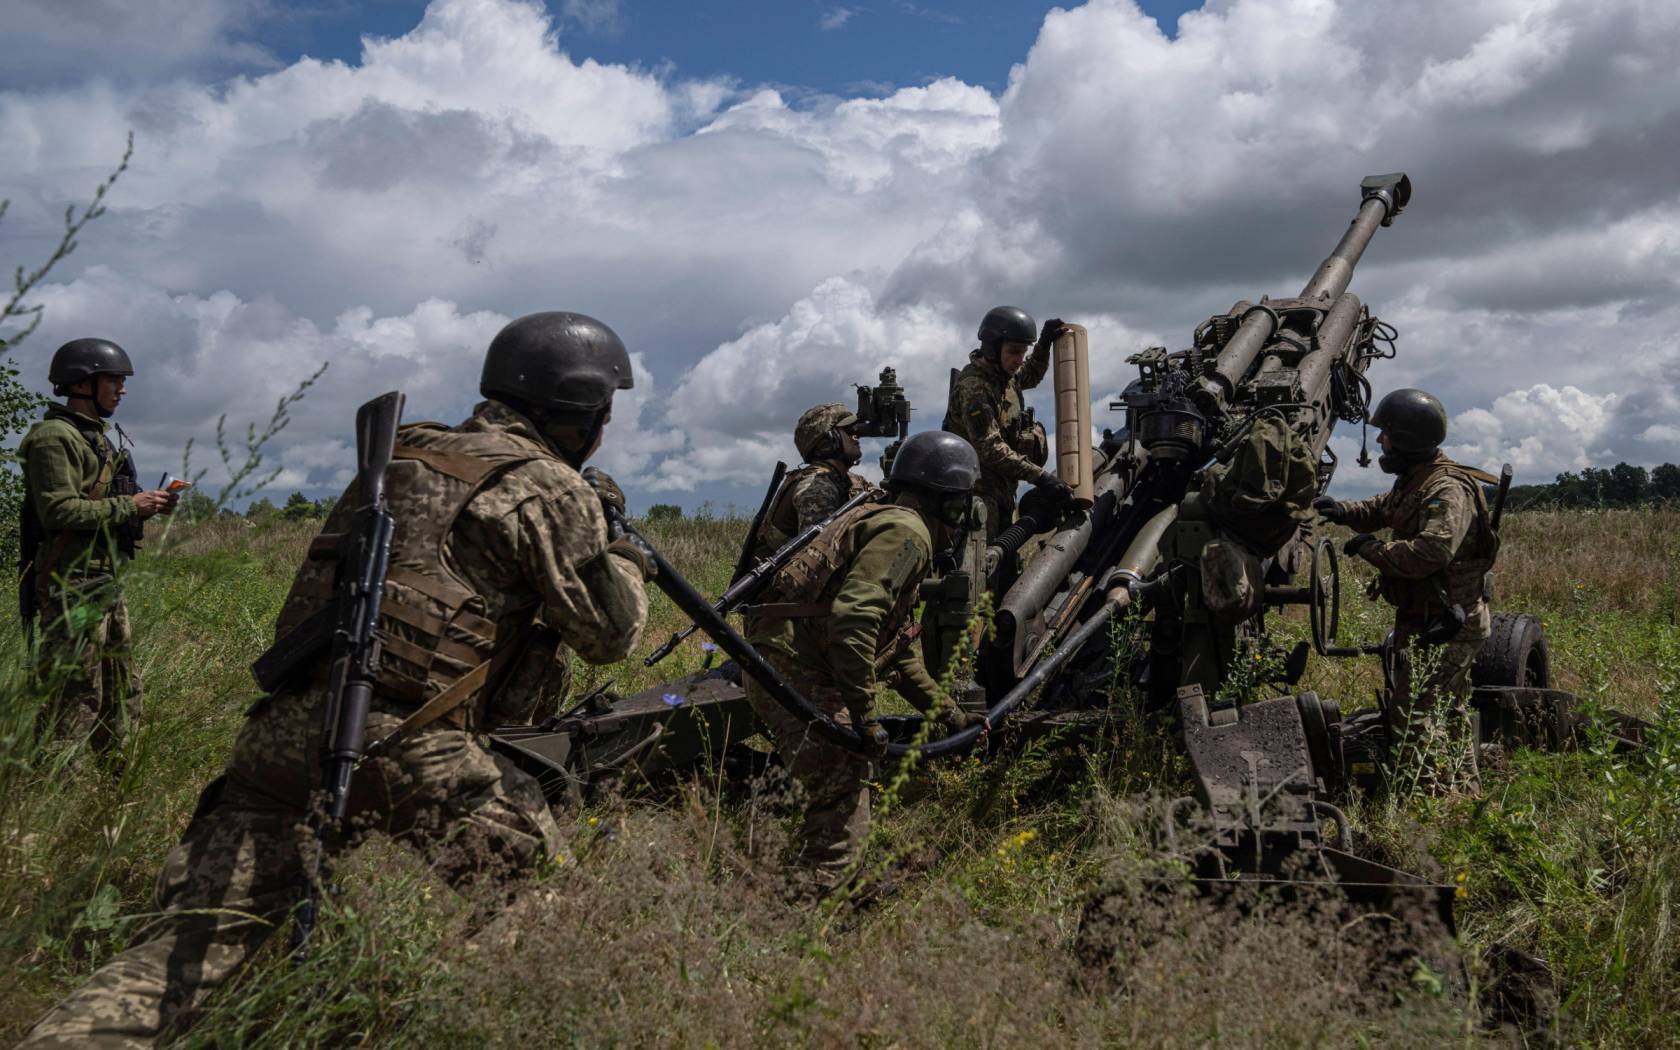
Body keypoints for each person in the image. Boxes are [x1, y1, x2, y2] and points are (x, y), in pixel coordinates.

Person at [21, 312, 654, 1048]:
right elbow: (611, 636)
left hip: (280, 735)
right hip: (410, 744)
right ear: (584, 413)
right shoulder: (546, 486)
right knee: (547, 908)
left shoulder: (399, 457)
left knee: (187, 954)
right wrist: (624, 552)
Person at [741, 430, 986, 898]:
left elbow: (899, 653)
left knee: (842, 776)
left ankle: (835, 878)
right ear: (948, 504)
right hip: (797, 664)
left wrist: (950, 715)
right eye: (959, 510)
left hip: (782, 657)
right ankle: (816, 898)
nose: (959, 526)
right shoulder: (908, 533)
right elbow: (856, 619)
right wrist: (864, 717)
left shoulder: (886, 520)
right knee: (843, 770)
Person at [1313, 388, 1499, 791]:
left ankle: (1423, 798)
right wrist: (1344, 512)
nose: (1380, 441)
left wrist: (1370, 549)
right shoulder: (1417, 480)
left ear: (1409, 439)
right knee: (1447, 711)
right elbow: (1383, 508)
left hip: (1450, 624)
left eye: (1387, 434)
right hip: (1428, 619)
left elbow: (1429, 553)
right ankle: (1462, 792)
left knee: (1412, 712)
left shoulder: (1446, 489)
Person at [18, 338, 177, 755]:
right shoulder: (55, 438)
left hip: (103, 581)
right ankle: (53, 795)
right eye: (115, 380)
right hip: (72, 588)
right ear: (84, 382)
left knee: (121, 687)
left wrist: (149, 505)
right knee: (75, 691)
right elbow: (58, 511)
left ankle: (114, 784)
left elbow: (102, 503)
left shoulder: (98, 439)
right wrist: (130, 504)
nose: (122, 390)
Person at [941, 306, 1072, 540]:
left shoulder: (1004, 378)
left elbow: (1030, 374)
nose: (1019, 360)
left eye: (1023, 352)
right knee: (983, 567)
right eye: (1014, 352)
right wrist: (1040, 477)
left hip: (1000, 492)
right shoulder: (975, 388)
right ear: (993, 347)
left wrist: (1044, 343)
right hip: (976, 496)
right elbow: (990, 448)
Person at [750, 403, 872, 561]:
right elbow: (817, 559)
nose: (856, 435)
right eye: (849, 431)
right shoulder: (816, 488)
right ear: (828, 440)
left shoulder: (850, 481)